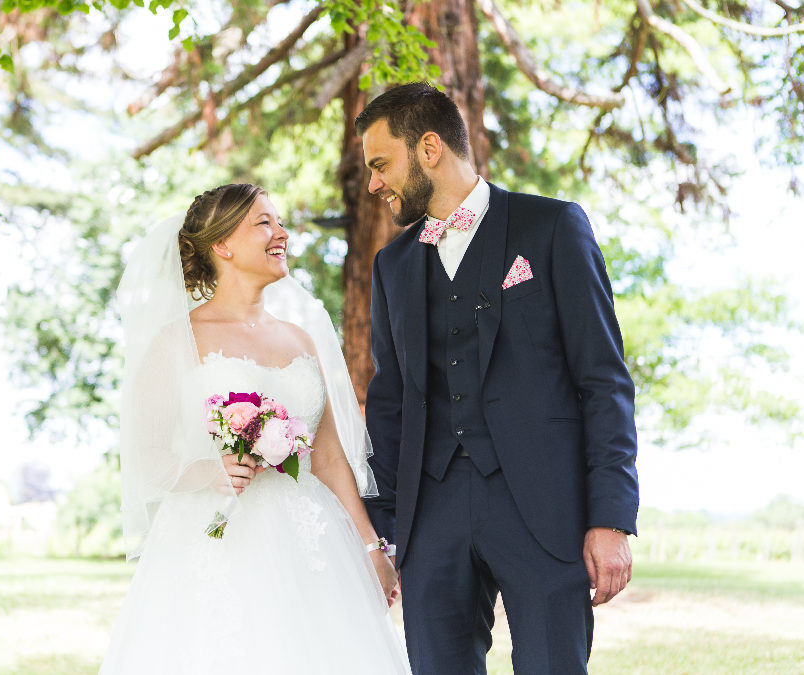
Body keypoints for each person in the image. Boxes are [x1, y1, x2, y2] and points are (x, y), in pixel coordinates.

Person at [359, 83, 639, 674]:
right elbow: (390, 404)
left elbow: (603, 379)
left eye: (381, 164)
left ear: (429, 148)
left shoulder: (554, 227)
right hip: (430, 517)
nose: (374, 184)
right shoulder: (393, 264)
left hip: (544, 507)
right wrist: (388, 532)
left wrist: (610, 517)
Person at [100, 183, 411, 674]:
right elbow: (147, 458)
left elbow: (328, 458)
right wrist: (211, 471)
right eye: (264, 223)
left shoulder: (300, 338)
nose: (281, 234)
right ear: (222, 244)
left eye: (280, 222)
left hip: (312, 540)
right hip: (216, 540)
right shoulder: (176, 341)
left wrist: (371, 548)